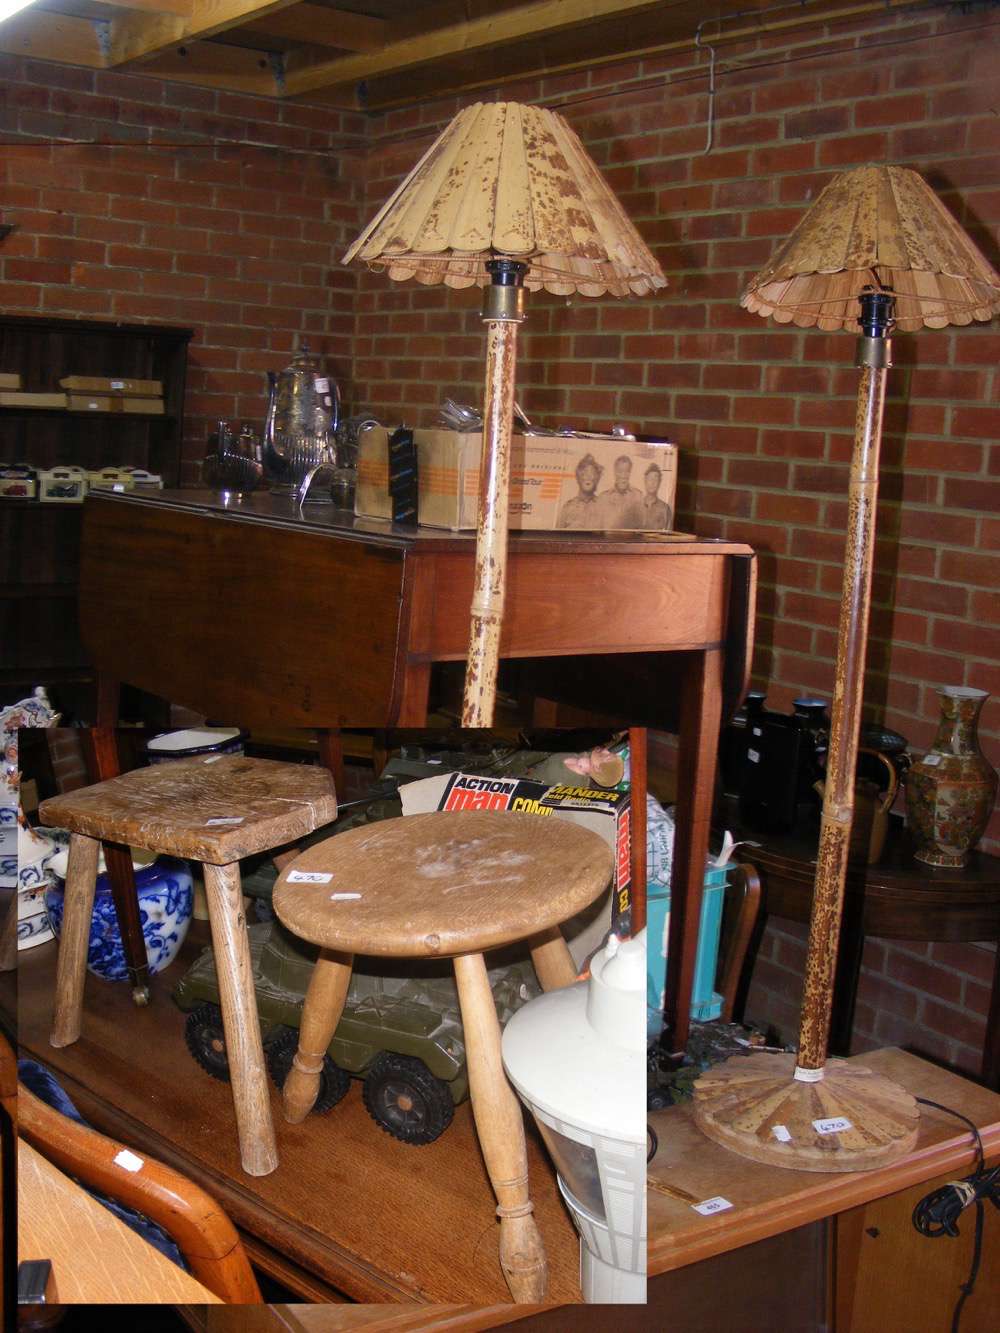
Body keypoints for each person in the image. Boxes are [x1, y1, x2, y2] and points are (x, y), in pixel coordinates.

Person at [594, 454, 643, 528]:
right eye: (620, 471)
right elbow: (598, 528)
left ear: (630, 473)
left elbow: (641, 526)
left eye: (627, 471)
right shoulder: (603, 498)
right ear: (615, 472)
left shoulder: (638, 496)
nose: (623, 475)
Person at [557, 453, 603, 528]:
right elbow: (557, 536)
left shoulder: (603, 506)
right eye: (584, 473)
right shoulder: (567, 508)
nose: (588, 477)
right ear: (578, 477)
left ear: (597, 479)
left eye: (592, 474)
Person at [639, 462, 672, 530]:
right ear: (645, 481)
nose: (652, 483)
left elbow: (668, 534)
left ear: (659, 482)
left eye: (655, 480)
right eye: (650, 479)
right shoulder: (636, 506)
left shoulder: (665, 509)